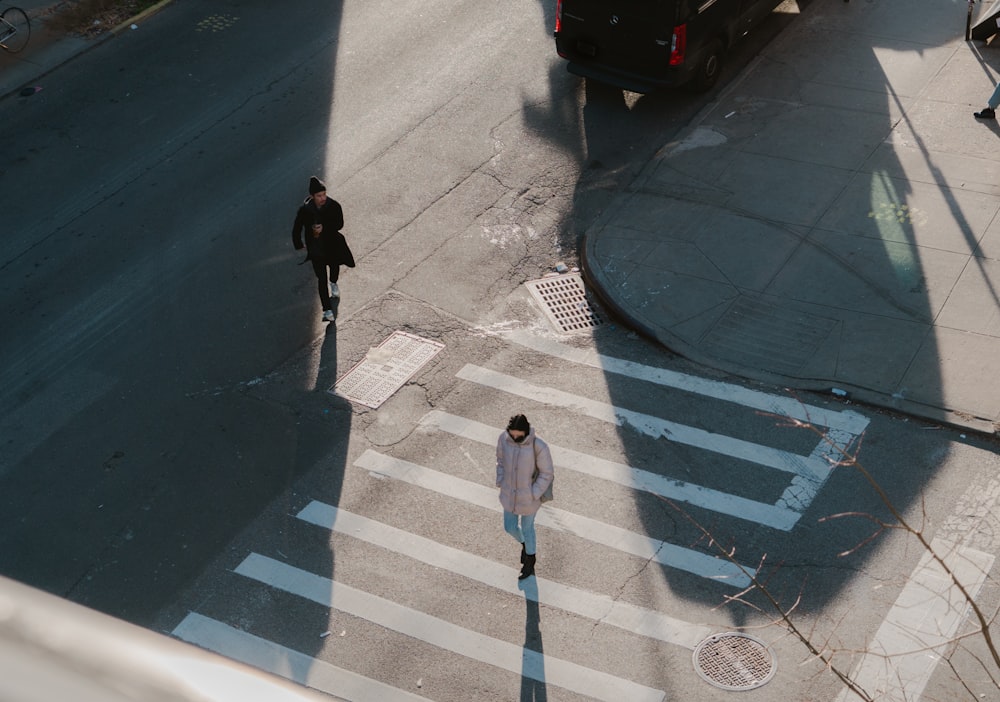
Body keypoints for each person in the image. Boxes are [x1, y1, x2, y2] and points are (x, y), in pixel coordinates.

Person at [496, 414, 554, 580]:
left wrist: (533, 493)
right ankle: (525, 545)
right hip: (509, 494)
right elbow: (500, 460)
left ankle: (530, 560)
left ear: (525, 432)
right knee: (510, 527)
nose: (514, 438)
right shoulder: (504, 439)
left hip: (529, 498)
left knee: (528, 529)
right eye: (512, 434)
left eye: (518, 435)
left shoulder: (538, 446)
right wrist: (500, 480)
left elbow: (546, 473)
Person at [292, 176, 355, 322]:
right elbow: (296, 228)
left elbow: (339, 224)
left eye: (324, 194)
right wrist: (299, 244)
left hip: (332, 246)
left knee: (334, 269)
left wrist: (324, 228)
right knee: (321, 279)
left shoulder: (334, 206)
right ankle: (327, 310)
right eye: (319, 196)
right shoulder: (305, 211)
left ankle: (333, 283)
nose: (323, 198)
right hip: (316, 250)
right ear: (312, 196)